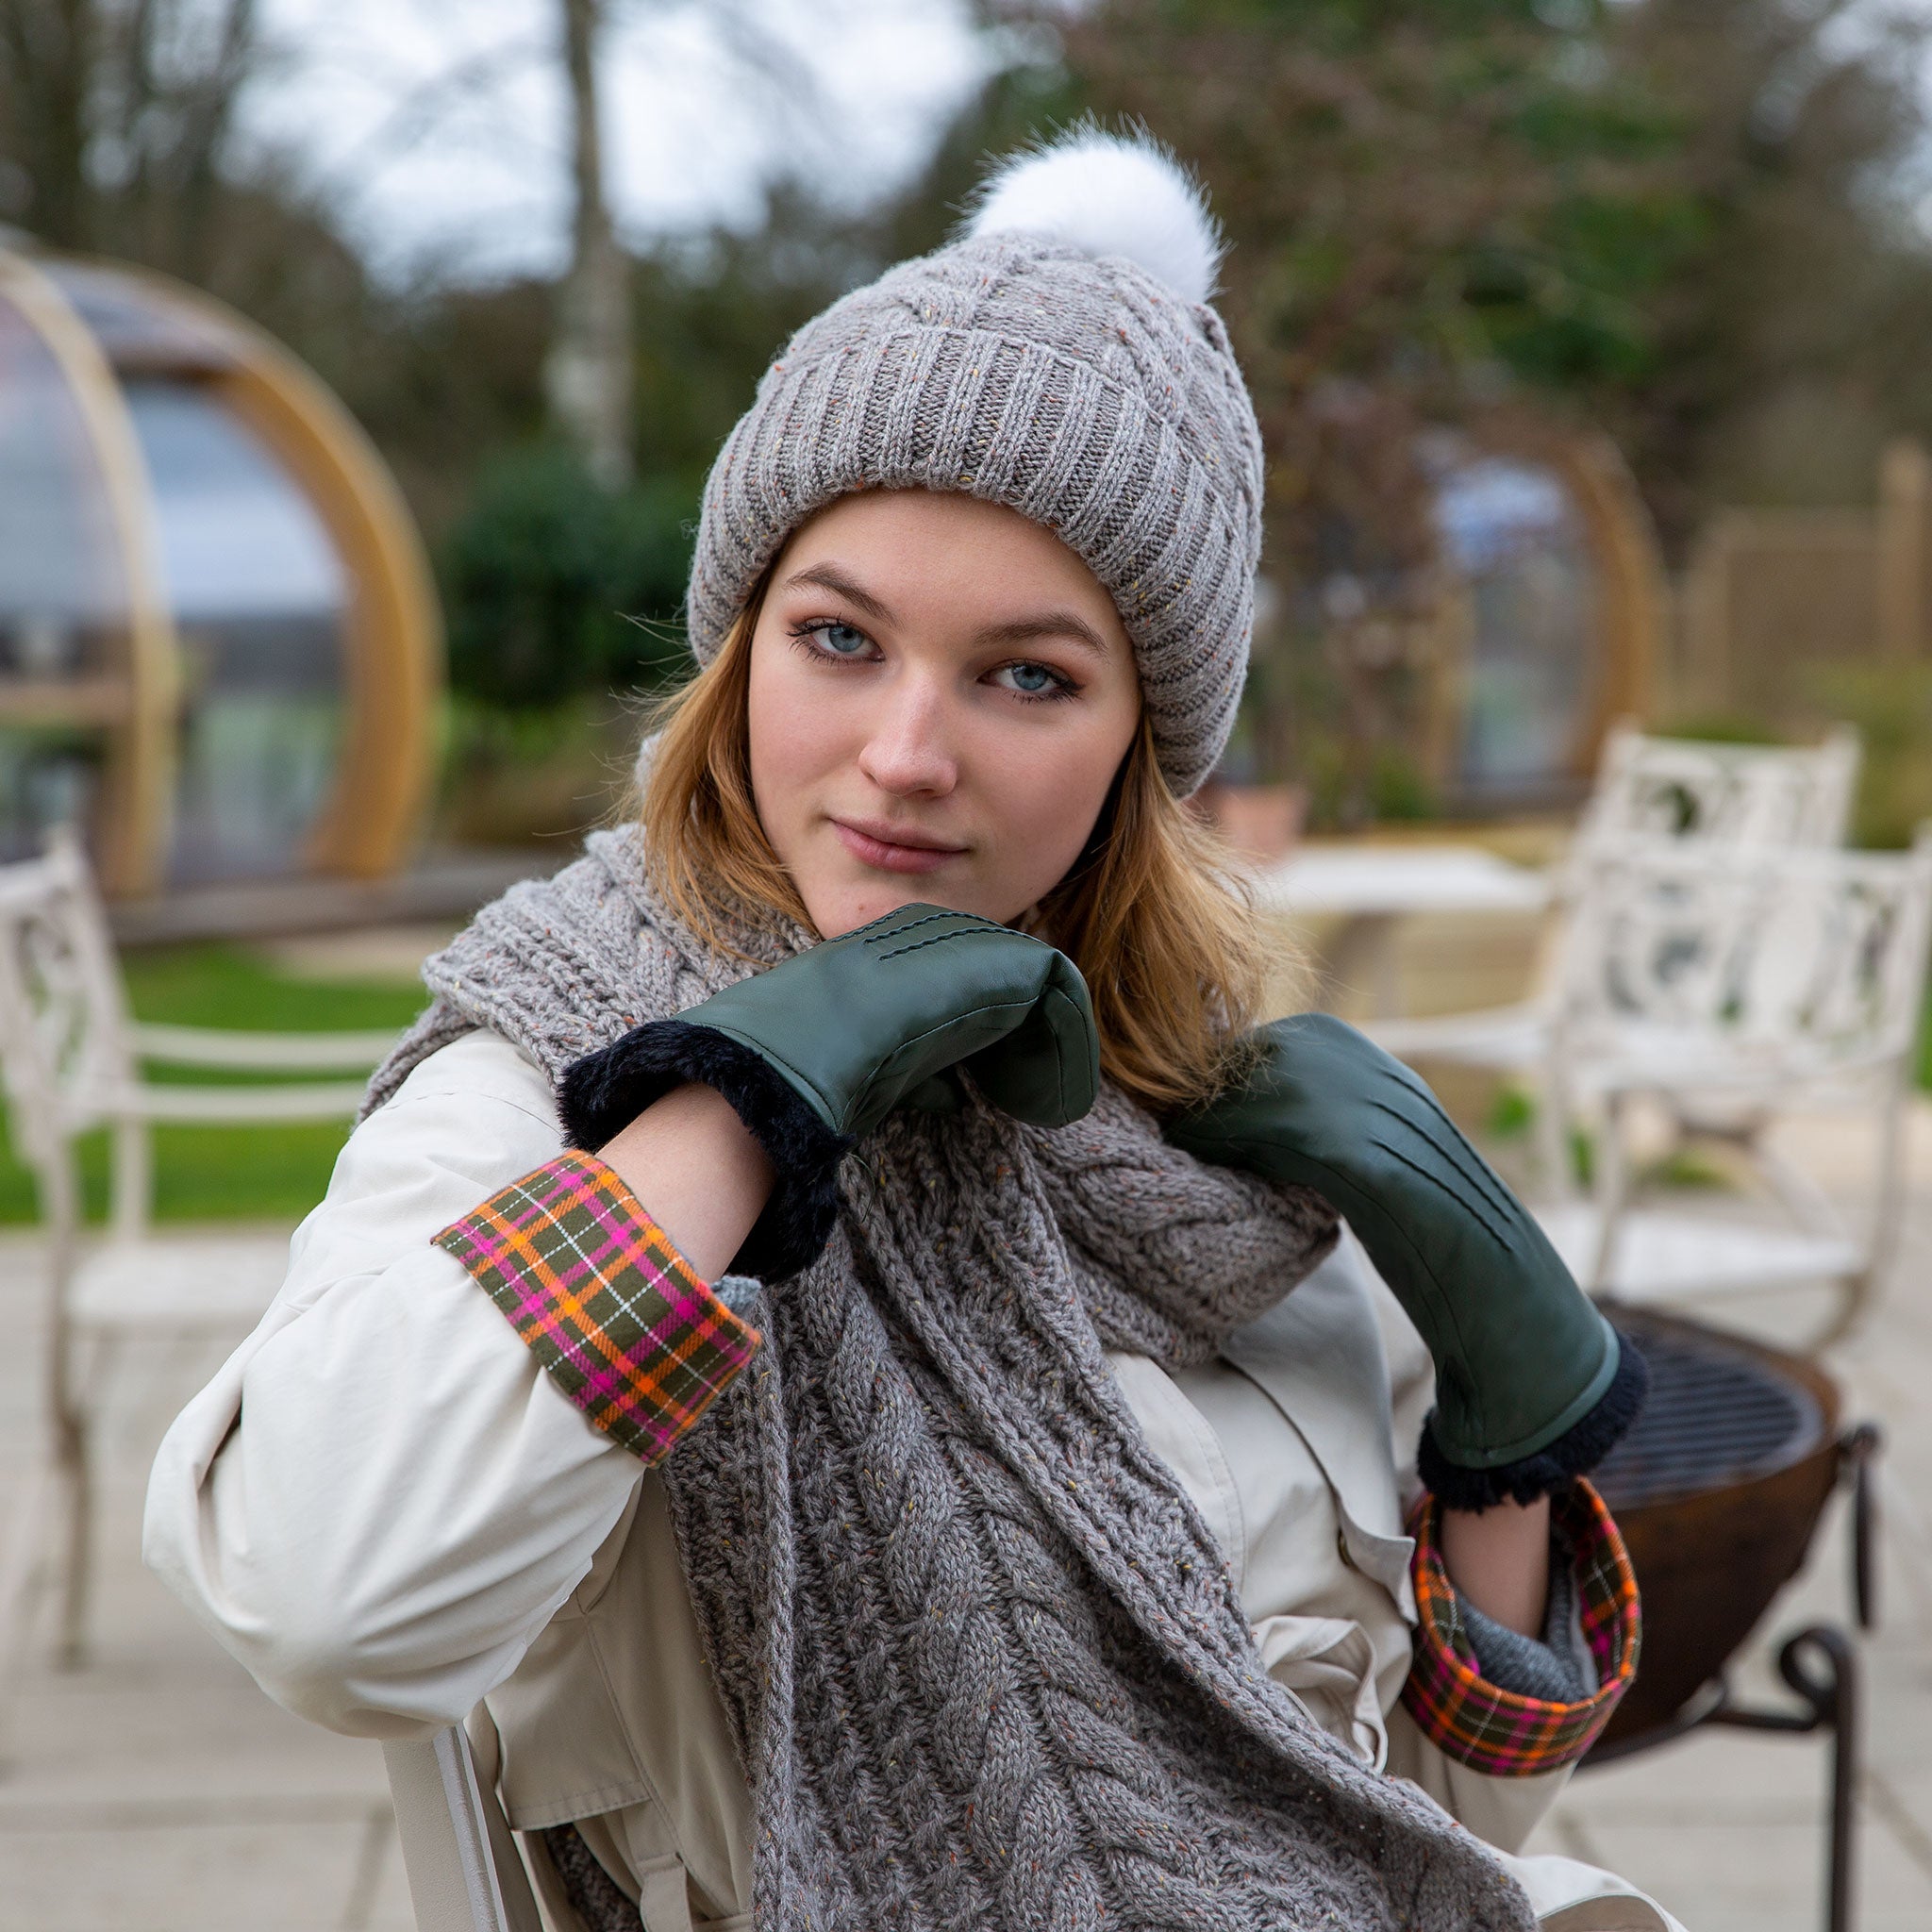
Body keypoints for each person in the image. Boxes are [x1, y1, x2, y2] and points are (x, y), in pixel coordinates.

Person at [145, 131, 1682, 1932]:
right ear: (742, 651)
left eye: (1029, 675)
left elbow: (1403, 1832)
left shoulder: (1214, 1153)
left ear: (1141, 748)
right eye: (840, 639)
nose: (906, 756)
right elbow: (331, 1606)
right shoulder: (549, 1088)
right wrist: (738, 1106)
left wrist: (1507, 1448)